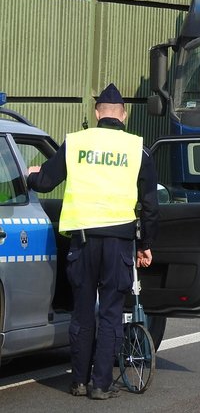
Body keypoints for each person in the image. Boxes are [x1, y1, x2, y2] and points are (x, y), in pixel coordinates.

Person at [27, 83, 159, 400]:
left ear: (97, 113)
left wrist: (32, 174)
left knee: (83, 312)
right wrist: (145, 244)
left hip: (83, 242)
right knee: (112, 313)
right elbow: (151, 206)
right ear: (124, 115)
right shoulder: (137, 149)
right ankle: (100, 385)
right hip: (118, 244)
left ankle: (79, 381)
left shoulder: (75, 143)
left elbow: (45, 182)